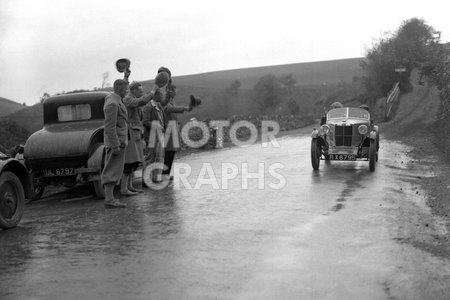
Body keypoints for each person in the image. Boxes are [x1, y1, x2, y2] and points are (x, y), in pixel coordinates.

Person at [121, 81, 156, 195]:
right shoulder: (128, 99)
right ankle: (124, 189)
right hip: (130, 131)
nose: (141, 92)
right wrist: (153, 92)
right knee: (129, 161)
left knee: (135, 161)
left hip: (135, 131)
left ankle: (130, 186)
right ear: (134, 90)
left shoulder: (133, 100)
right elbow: (141, 101)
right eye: (140, 90)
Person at [158, 67, 192, 180]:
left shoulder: (167, 89)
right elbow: (167, 108)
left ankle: (166, 173)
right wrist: (184, 108)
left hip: (172, 123)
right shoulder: (160, 91)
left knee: (171, 151)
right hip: (166, 124)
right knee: (168, 151)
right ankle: (164, 174)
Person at [101, 79, 129, 208]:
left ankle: (110, 198)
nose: (127, 91)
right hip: (116, 142)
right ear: (119, 89)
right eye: (125, 89)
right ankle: (109, 199)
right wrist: (115, 145)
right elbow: (109, 127)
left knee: (116, 170)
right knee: (111, 170)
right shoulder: (113, 103)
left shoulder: (115, 99)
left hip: (119, 141)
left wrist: (126, 76)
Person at [142, 74, 168, 185]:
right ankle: (146, 180)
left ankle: (156, 178)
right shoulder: (148, 106)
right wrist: (155, 125)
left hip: (160, 136)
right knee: (150, 158)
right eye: (161, 94)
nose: (162, 95)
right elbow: (145, 121)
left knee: (159, 157)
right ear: (156, 95)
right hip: (151, 136)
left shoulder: (159, 106)